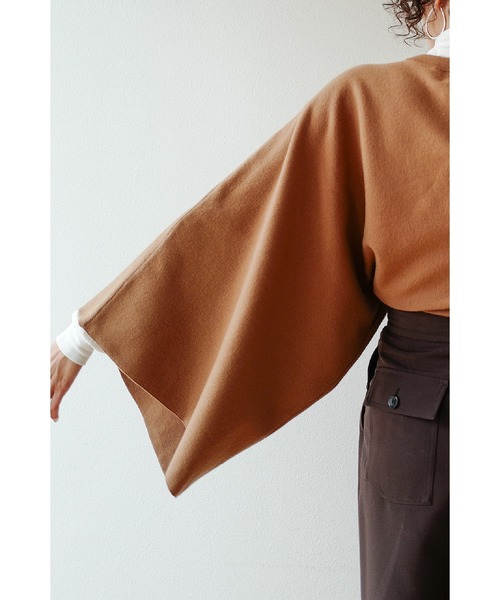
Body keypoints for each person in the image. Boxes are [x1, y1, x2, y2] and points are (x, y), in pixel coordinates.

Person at [50, 1, 450, 598]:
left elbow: (238, 223)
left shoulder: (371, 99)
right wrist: (87, 332)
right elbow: (244, 219)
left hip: (424, 411)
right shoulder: (371, 103)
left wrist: (82, 336)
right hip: (426, 406)